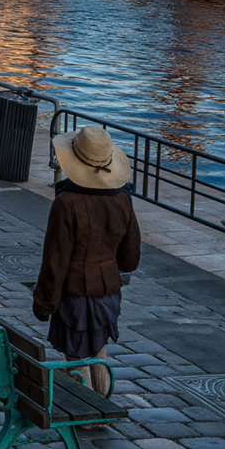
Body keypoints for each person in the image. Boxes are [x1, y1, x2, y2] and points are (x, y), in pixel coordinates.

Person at [32, 124, 140, 394]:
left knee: (77, 357)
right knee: (98, 350)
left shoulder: (66, 202)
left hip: (75, 297)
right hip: (108, 295)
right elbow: (130, 260)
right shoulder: (122, 199)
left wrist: (44, 304)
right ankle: (103, 405)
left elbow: (55, 262)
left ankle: (87, 411)